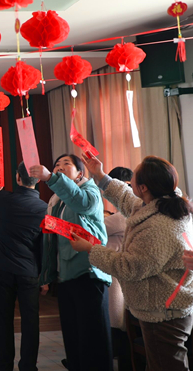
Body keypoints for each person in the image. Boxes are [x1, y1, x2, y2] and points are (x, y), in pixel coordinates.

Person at [71, 155, 193, 371]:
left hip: (164, 312)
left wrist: (91, 248)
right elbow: (127, 199)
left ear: (144, 187)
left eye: (134, 177)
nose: (129, 182)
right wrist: (100, 175)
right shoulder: (163, 203)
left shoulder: (158, 227)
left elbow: (129, 267)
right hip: (164, 306)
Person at [29, 155, 113, 371]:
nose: (60, 167)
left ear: (80, 173)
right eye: (57, 165)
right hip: (65, 274)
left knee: (93, 338)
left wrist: (51, 178)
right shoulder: (56, 200)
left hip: (88, 271)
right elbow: (51, 241)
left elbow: (82, 204)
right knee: (73, 337)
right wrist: (47, 275)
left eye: (66, 164)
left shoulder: (89, 190)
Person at [0, 162, 47, 371]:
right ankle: (28, 366)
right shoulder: (44, 208)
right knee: (31, 320)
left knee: (4, 317)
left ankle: (4, 364)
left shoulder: (4, 199)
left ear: (18, 178)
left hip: (3, 267)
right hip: (29, 270)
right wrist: (44, 275)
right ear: (38, 180)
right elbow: (44, 244)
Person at [103, 166, 134, 371]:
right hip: (117, 272)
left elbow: (98, 229)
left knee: (119, 325)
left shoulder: (124, 215)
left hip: (118, 274)